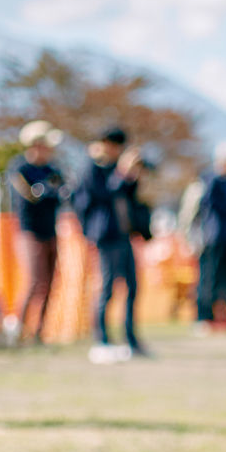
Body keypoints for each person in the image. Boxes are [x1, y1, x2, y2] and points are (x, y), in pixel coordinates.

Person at [73, 127, 149, 360]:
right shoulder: (93, 167)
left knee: (132, 288)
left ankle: (131, 340)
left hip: (125, 234)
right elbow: (104, 195)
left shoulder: (117, 169)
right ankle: (102, 340)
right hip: (106, 235)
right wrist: (122, 172)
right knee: (107, 288)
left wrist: (132, 174)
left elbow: (128, 195)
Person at [8, 121, 65, 344]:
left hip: (51, 230)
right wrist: (45, 189)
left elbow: (61, 195)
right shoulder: (19, 167)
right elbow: (30, 195)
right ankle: (18, 332)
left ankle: (39, 334)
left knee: (49, 283)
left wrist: (52, 189)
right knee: (34, 281)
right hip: (29, 231)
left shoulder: (54, 169)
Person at [195, 141, 226, 332]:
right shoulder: (210, 179)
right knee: (209, 278)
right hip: (212, 236)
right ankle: (204, 318)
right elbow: (208, 205)